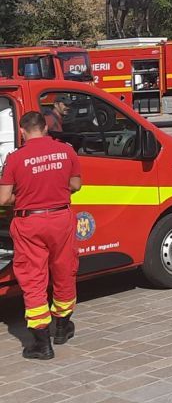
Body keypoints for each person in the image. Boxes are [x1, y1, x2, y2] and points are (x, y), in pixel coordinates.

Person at [0, 111, 81, 360]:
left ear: (22, 131)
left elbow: (3, 199)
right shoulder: (66, 151)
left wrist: (25, 196)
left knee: (33, 277)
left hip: (30, 222)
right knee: (64, 270)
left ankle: (42, 343)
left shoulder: (15, 158)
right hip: (61, 218)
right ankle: (63, 327)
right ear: (45, 128)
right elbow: (76, 185)